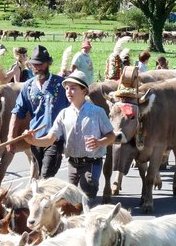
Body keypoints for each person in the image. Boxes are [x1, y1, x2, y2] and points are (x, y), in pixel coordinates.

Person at [21, 70, 115, 200]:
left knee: (86, 195)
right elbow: (50, 139)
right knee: (71, 201)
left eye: (73, 88)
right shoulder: (63, 114)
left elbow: (112, 135)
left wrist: (99, 142)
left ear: (84, 91)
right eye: (67, 89)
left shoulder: (97, 112)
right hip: (73, 164)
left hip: (92, 163)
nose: (68, 92)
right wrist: (32, 140)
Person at [8, 45, 70, 179]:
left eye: (40, 64)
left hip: (55, 139)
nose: (37, 67)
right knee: (41, 174)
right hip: (35, 139)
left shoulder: (63, 85)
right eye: (34, 64)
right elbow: (17, 112)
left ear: (48, 63)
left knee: (46, 175)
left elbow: (75, 109)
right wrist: (11, 138)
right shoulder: (28, 86)